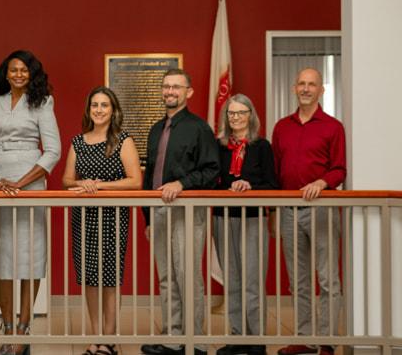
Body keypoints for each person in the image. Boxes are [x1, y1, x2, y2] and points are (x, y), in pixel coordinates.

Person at [0, 50, 61, 355]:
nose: (18, 74)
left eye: (24, 70)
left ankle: (24, 330)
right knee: (1, 259)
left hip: (29, 184)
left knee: (30, 257)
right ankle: (7, 326)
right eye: (13, 69)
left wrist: (22, 183)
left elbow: (52, 150)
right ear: (6, 73)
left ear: (32, 73)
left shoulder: (43, 101)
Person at [141, 69, 219, 355]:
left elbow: (212, 171)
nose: (170, 91)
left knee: (187, 275)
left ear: (189, 92)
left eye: (176, 86)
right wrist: (148, 219)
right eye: (166, 86)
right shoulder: (155, 129)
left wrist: (182, 183)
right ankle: (173, 337)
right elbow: (150, 176)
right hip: (159, 212)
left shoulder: (199, 128)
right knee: (167, 277)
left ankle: (195, 341)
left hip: (187, 210)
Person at [62, 87, 143, 355]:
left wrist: (101, 187)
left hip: (111, 216)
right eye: (94, 105)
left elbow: (135, 181)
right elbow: (66, 180)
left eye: (104, 105)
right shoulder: (78, 142)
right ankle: (95, 334)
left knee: (109, 278)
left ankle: (109, 338)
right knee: (89, 277)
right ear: (89, 110)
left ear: (113, 110)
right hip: (83, 217)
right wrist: (82, 184)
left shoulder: (123, 140)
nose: (98, 109)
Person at [272, 68, 346, 355]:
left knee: (328, 278)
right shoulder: (282, 127)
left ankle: (325, 340)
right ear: (294, 88)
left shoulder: (332, 127)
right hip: (289, 210)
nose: (305, 88)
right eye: (301, 83)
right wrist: (274, 211)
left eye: (311, 84)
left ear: (321, 90)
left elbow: (340, 168)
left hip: (322, 208)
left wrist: (322, 181)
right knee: (298, 280)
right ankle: (305, 338)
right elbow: (277, 170)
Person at [212, 94, 278, 355]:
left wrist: (250, 186)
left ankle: (256, 339)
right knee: (233, 280)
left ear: (251, 115)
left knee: (252, 281)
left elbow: (273, 185)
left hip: (252, 218)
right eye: (231, 113)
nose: (235, 118)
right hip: (223, 217)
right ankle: (238, 336)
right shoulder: (218, 146)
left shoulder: (261, 146)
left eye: (241, 113)